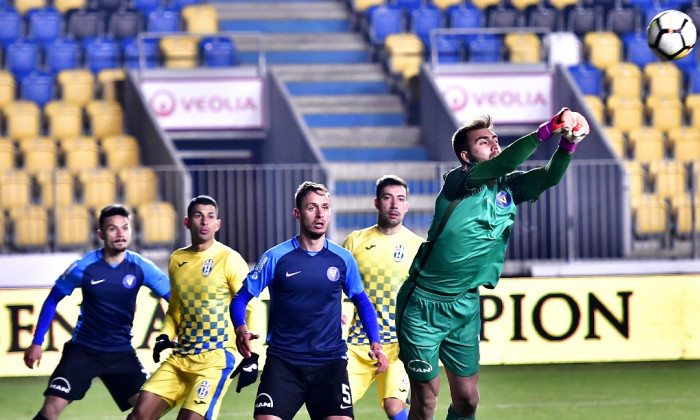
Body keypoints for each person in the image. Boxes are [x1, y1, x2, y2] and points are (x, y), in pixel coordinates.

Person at [395, 108, 590, 420]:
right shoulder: (459, 181)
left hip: (465, 304)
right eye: (483, 141)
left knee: (468, 400)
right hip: (422, 304)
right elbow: (505, 162)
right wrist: (546, 129)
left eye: (495, 139)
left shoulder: (508, 189)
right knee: (426, 398)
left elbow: (549, 177)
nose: (494, 143)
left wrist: (568, 144)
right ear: (466, 156)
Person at [231, 181, 389, 420]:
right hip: (284, 362)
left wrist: (375, 344)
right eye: (312, 207)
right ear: (297, 213)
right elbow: (240, 299)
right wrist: (240, 327)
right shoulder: (276, 257)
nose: (320, 214)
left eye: (325, 207)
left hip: (330, 364)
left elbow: (362, 302)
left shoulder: (342, 258)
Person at [23, 204, 171, 420]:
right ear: (101, 234)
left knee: (147, 411)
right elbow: (52, 299)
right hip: (83, 351)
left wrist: (174, 328)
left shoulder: (141, 267)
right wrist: (37, 342)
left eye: (125, 227)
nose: (120, 233)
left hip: (121, 352)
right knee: (51, 409)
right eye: (113, 229)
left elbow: (176, 301)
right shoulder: (84, 267)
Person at [128, 195, 254, 420]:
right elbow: (175, 307)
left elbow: (249, 306)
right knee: (138, 415)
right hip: (181, 356)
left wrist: (250, 353)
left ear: (218, 224)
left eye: (210, 217)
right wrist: (164, 335)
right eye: (198, 216)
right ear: (187, 222)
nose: (204, 222)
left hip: (214, 359)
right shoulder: (177, 259)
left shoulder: (229, 259)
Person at [343, 175, 423, 420]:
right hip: (357, 344)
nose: (394, 205)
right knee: (335, 406)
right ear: (377, 203)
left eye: (401, 199)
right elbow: (338, 288)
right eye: (388, 198)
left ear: (407, 206)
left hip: (399, 345)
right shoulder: (355, 241)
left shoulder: (418, 246)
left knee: (394, 406)